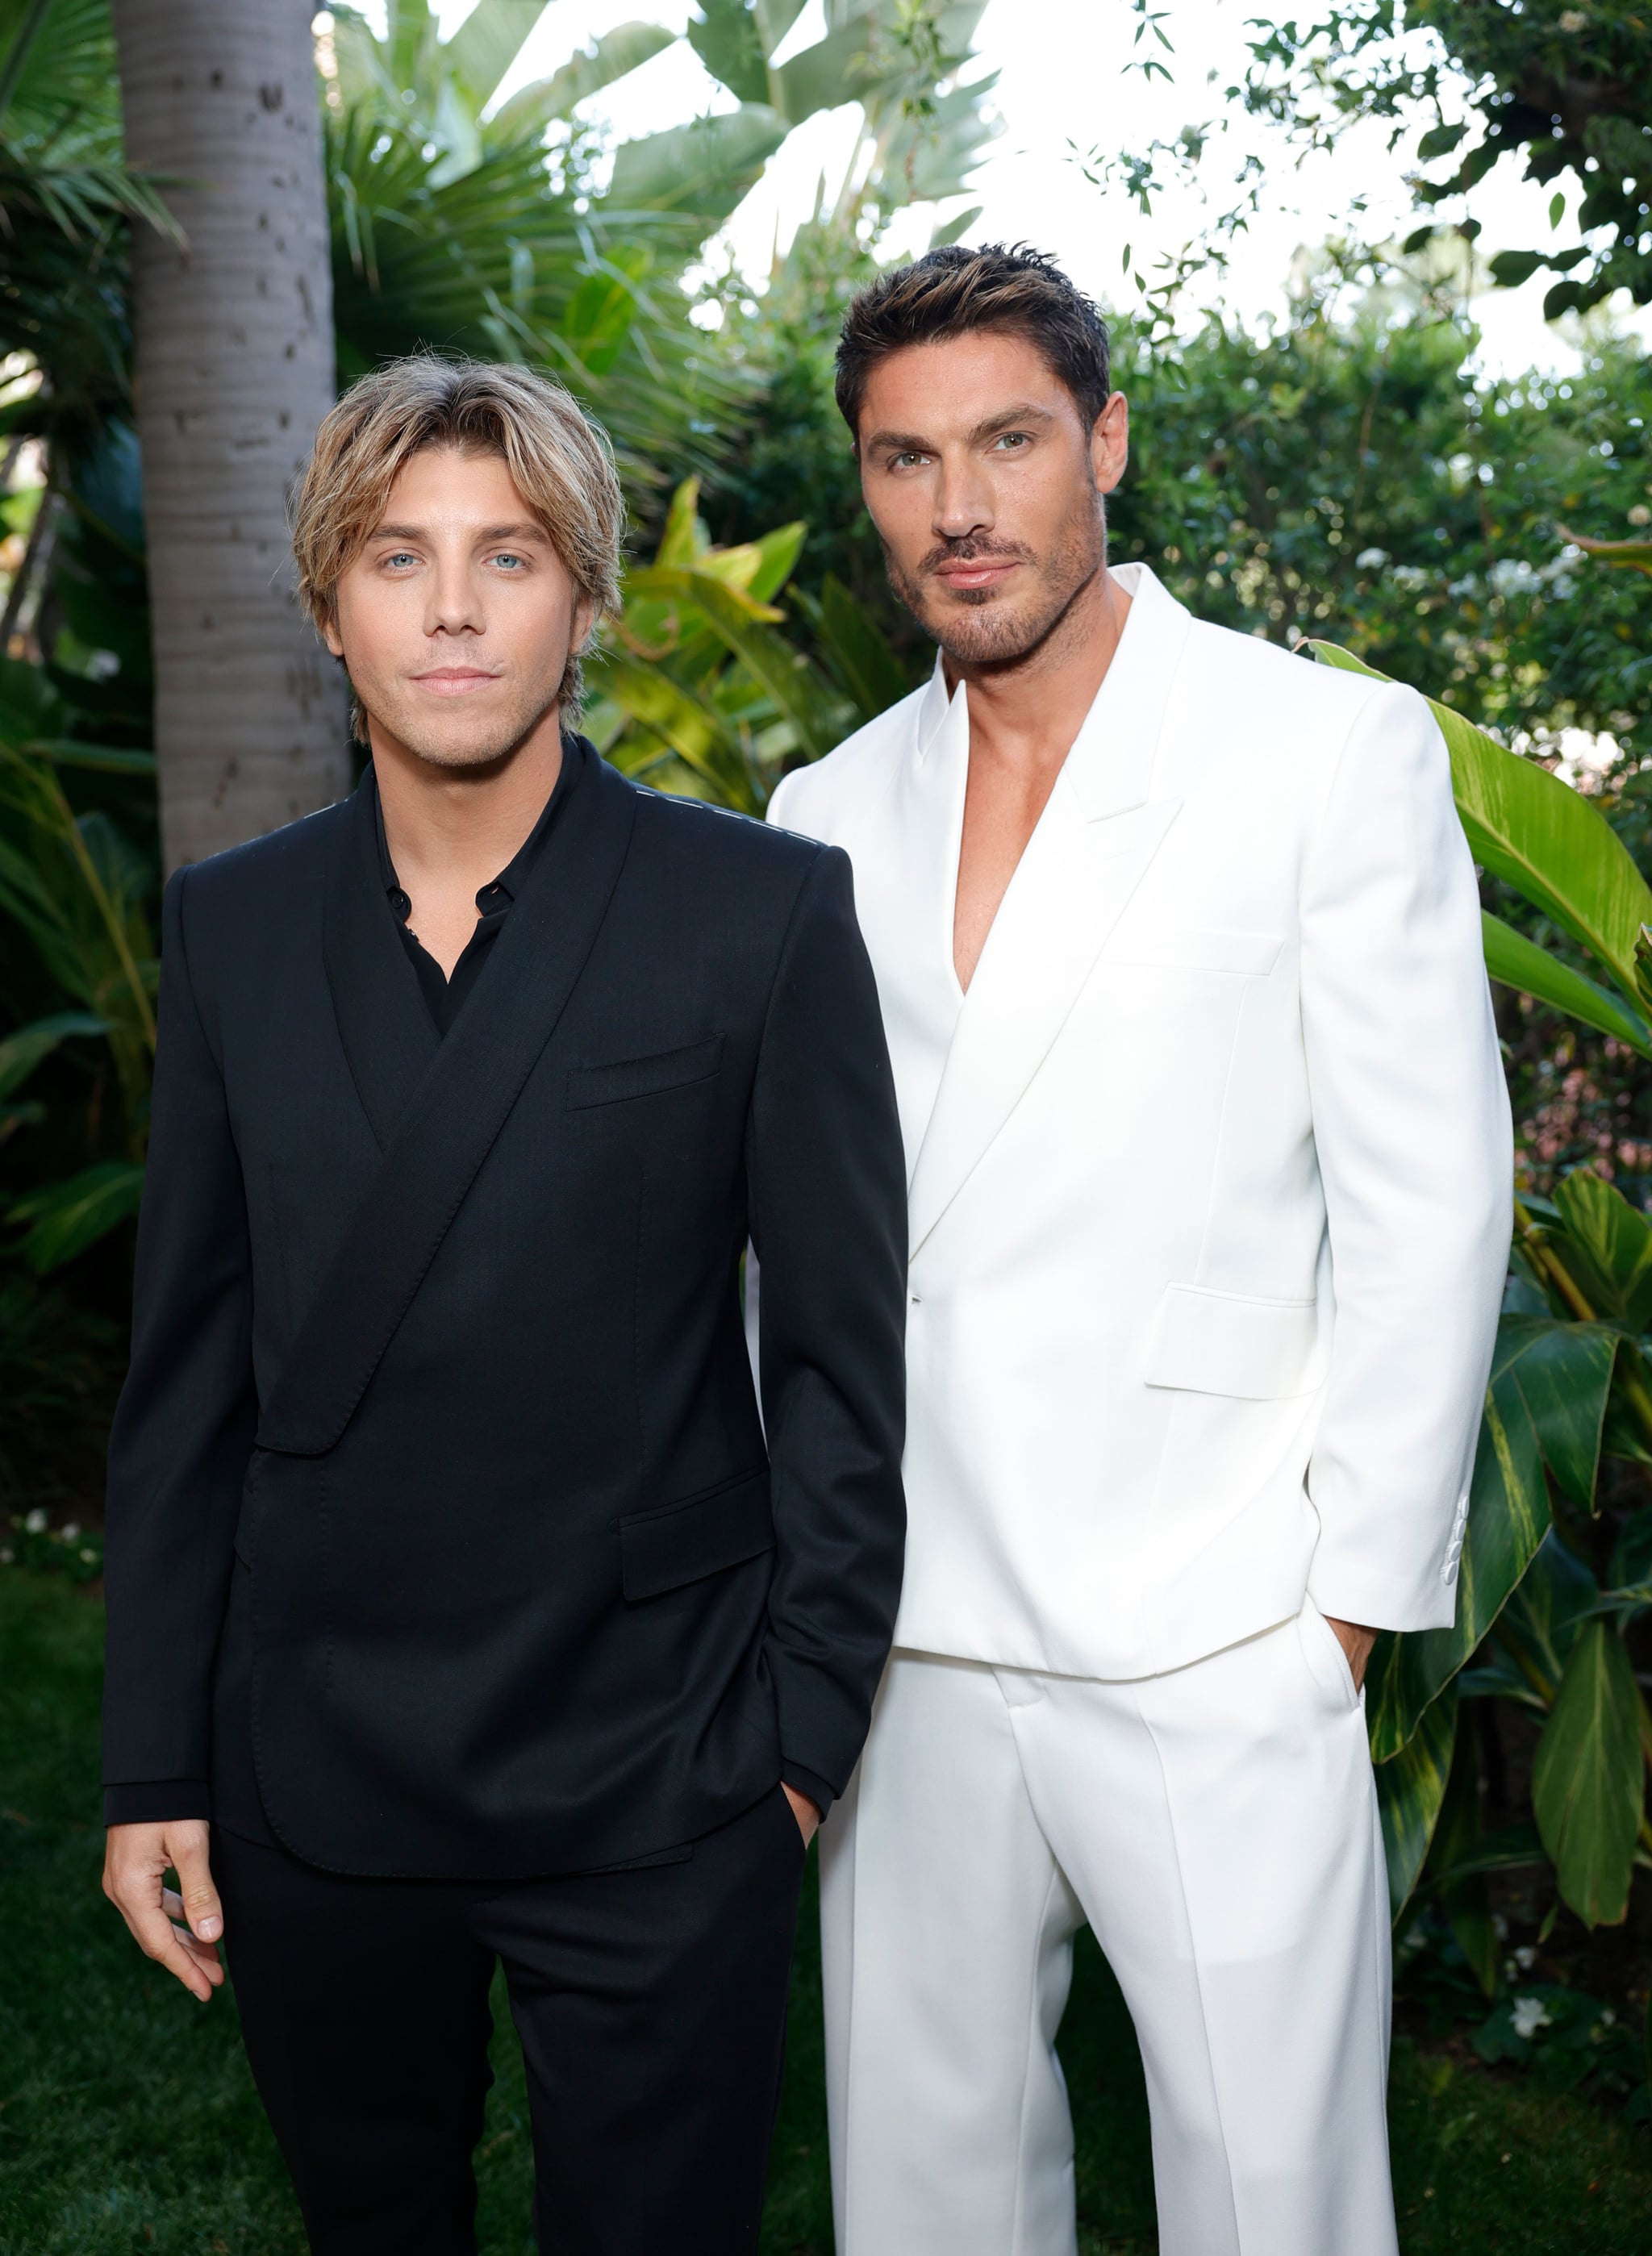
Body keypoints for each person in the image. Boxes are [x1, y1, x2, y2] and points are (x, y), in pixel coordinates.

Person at [101, 355, 907, 2255]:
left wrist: (791, 1753)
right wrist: (155, 1762)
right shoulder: (235, 925)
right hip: (314, 1765)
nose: (453, 606)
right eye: (397, 556)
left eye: (509, 555)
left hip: (658, 1766)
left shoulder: (761, 911)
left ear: (586, 600)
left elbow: (842, 1363)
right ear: (328, 604)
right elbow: (186, 1379)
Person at [766, 244, 1512, 2256]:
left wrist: (1337, 1615)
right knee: (919, 2203)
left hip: (1211, 1619)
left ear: (1102, 438)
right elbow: (808, 1223)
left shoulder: (1320, 750)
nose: (959, 508)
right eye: (904, 460)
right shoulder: (820, 810)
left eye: (1006, 441)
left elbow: (1429, 1201)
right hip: (904, 1626)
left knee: (1275, 2207)